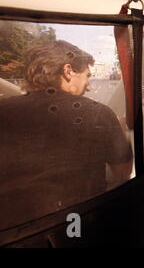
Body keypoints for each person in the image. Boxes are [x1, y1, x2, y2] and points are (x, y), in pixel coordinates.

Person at [0, 40, 133, 230]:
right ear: (68, 71)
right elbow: (123, 172)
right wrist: (121, 131)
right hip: (76, 227)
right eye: (87, 76)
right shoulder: (98, 113)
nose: (88, 87)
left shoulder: (3, 111)